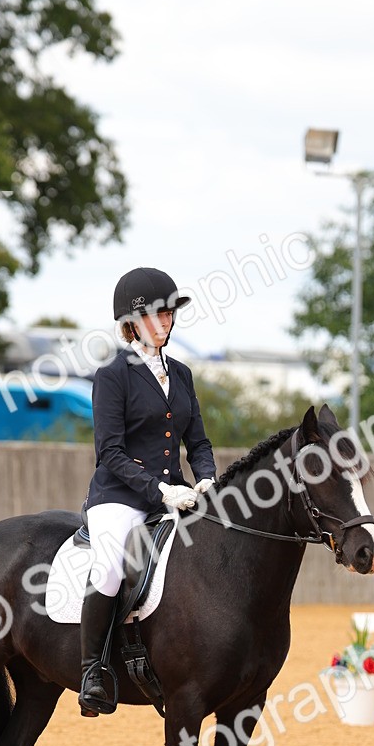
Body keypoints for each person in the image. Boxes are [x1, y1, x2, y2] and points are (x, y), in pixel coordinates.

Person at [78, 266, 217, 717]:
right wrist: (160, 490)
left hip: (175, 492)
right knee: (111, 566)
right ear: (132, 323)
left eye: (170, 314)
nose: (166, 323)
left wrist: (207, 478)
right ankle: (92, 671)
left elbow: (196, 441)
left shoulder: (182, 374)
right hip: (119, 497)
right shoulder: (112, 375)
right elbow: (111, 453)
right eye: (158, 315)